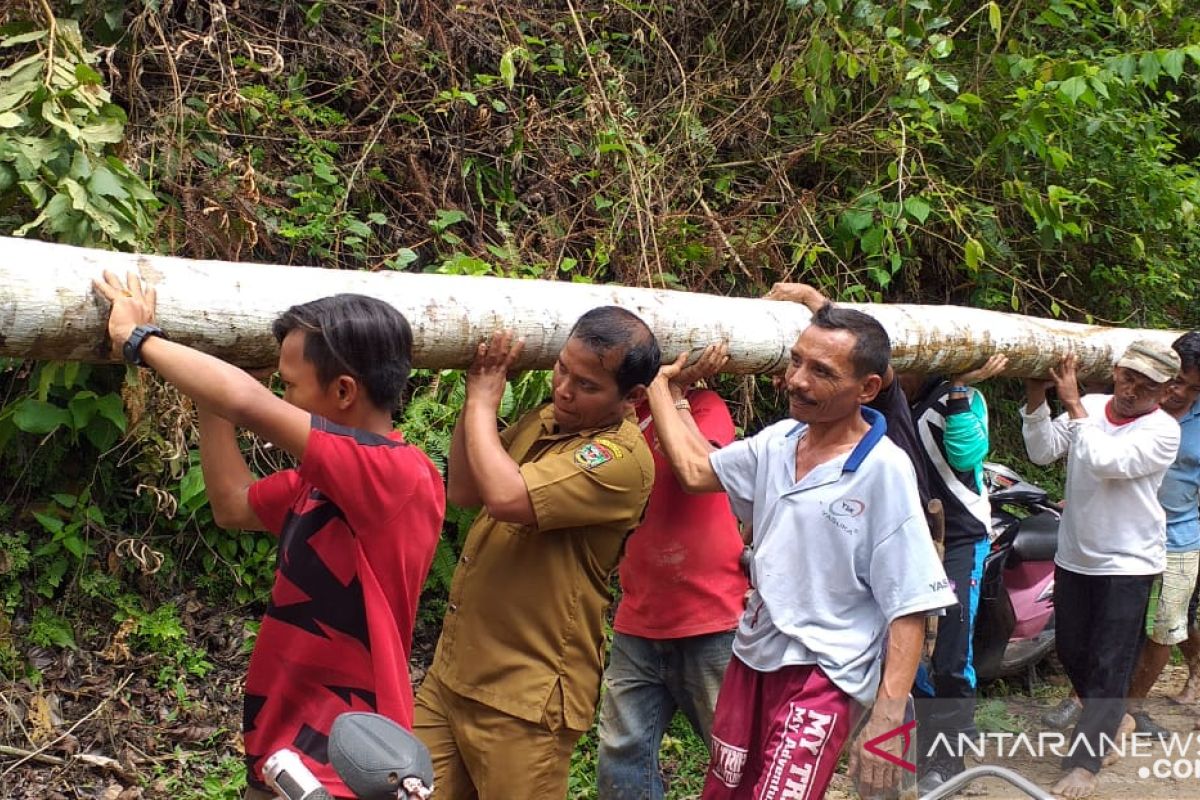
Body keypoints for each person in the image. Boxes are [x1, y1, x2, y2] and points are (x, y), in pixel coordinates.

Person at [91, 272, 445, 799]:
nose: (281, 395)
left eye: (290, 385)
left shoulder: (397, 476)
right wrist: (213, 405)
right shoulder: (324, 481)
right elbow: (233, 505)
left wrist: (138, 338)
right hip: (284, 746)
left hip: (348, 760)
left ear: (344, 390)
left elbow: (246, 402)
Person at [647, 303, 957, 800]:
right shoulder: (779, 442)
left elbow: (910, 602)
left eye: (821, 372)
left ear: (868, 388)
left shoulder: (884, 470)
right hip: (753, 657)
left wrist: (887, 718)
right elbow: (696, 470)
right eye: (795, 362)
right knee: (726, 791)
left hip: (825, 673)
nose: (797, 380)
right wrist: (663, 390)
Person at [414, 307, 659, 799]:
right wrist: (474, 401)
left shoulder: (619, 460)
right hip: (451, 677)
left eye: (587, 384)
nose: (565, 389)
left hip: (524, 699)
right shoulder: (546, 420)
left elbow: (506, 498)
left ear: (631, 397)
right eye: (562, 368)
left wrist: (484, 402)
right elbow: (466, 488)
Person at [1021, 341, 1181, 799]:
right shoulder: (1091, 406)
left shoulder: (1162, 430)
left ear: (1167, 390)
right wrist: (1038, 398)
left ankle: (1084, 762)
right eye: (1129, 377)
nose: (1133, 390)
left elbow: (1105, 462)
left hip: (1129, 561)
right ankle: (1112, 720)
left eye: (1148, 386)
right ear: (1115, 371)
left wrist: (1072, 404)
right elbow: (1041, 451)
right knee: (1072, 651)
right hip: (1076, 555)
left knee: (1111, 660)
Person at [595, 344, 749, 799]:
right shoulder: (620, 415)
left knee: (736, 757)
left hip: (713, 616)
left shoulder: (704, 406)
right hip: (640, 617)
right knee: (622, 755)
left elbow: (702, 470)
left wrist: (673, 393)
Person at [896, 357, 1007, 792]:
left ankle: (950, 755)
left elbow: (966, 454)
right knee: (911, 654)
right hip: (910, 540)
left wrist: (959, 388)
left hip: (961, 538)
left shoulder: (958, 399)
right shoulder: (891, 401)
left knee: (950, 654)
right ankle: (927, 750)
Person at [1124, 333, 1200, 736]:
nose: (1181, 394)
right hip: (1125, 531)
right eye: (1177, 381)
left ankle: (1133, 709)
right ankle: (1094, 700)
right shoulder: (1132, 402)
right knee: (1117, 619)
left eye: (1194, 388)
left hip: (1180, 535)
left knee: (1167, 625)